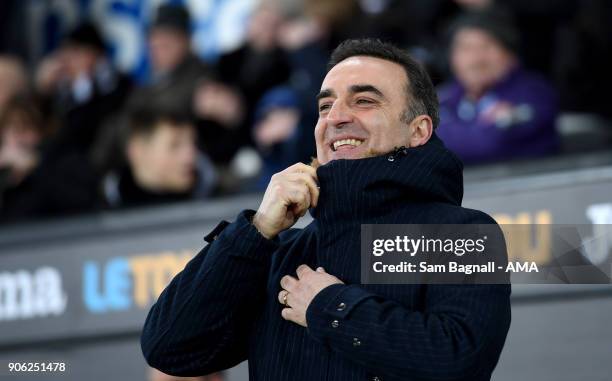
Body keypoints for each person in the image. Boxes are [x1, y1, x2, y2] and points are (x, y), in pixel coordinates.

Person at [141, 39, 511, 380]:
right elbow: (169, 347)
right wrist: (254, 232)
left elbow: (459, 359)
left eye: (364, 100)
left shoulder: (462, 234)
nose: (335, 117)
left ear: (418, 131)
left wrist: (329, 306)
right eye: (325, 105)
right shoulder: (278, 252)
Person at [436, 10, 559, 164]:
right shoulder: (440, 100)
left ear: (511, 55)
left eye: (487, 46)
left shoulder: (535, 93)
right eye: (465, 49)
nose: (476, 59)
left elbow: (489, 146)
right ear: (451, 59)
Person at [101, 103, 217, 208]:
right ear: (138, 151)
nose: (191, 156)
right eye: (175, 145)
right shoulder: (95, 213)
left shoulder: (221, 201)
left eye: (194, 143)